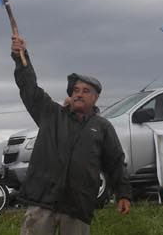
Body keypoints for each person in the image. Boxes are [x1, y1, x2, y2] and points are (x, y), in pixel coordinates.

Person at [10, 34, 131, 234]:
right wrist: (21, 58)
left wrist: (123, 194)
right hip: (42, 202)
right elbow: (29, 88)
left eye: (85, 90)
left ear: (95, 97)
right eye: (75, 90)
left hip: (78, 206)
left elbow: (116, 162)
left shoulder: (102, 127)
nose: (79, 94)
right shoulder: (51, 114)